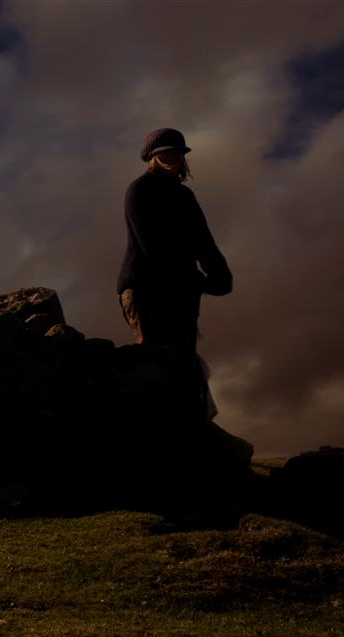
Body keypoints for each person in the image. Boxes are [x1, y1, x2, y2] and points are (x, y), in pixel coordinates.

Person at [117, 127, 233, 421]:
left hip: (181, 291)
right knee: (154, 362)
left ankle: (190, 434)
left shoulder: (185, 197)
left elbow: (203, 240)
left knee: (184, 363)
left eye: (178, 153)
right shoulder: (139, 191)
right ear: (152, 157)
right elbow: (152, 246)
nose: (173, 157)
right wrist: (194, 279)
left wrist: (220, 274)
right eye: (165, 153)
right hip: (145, 290)